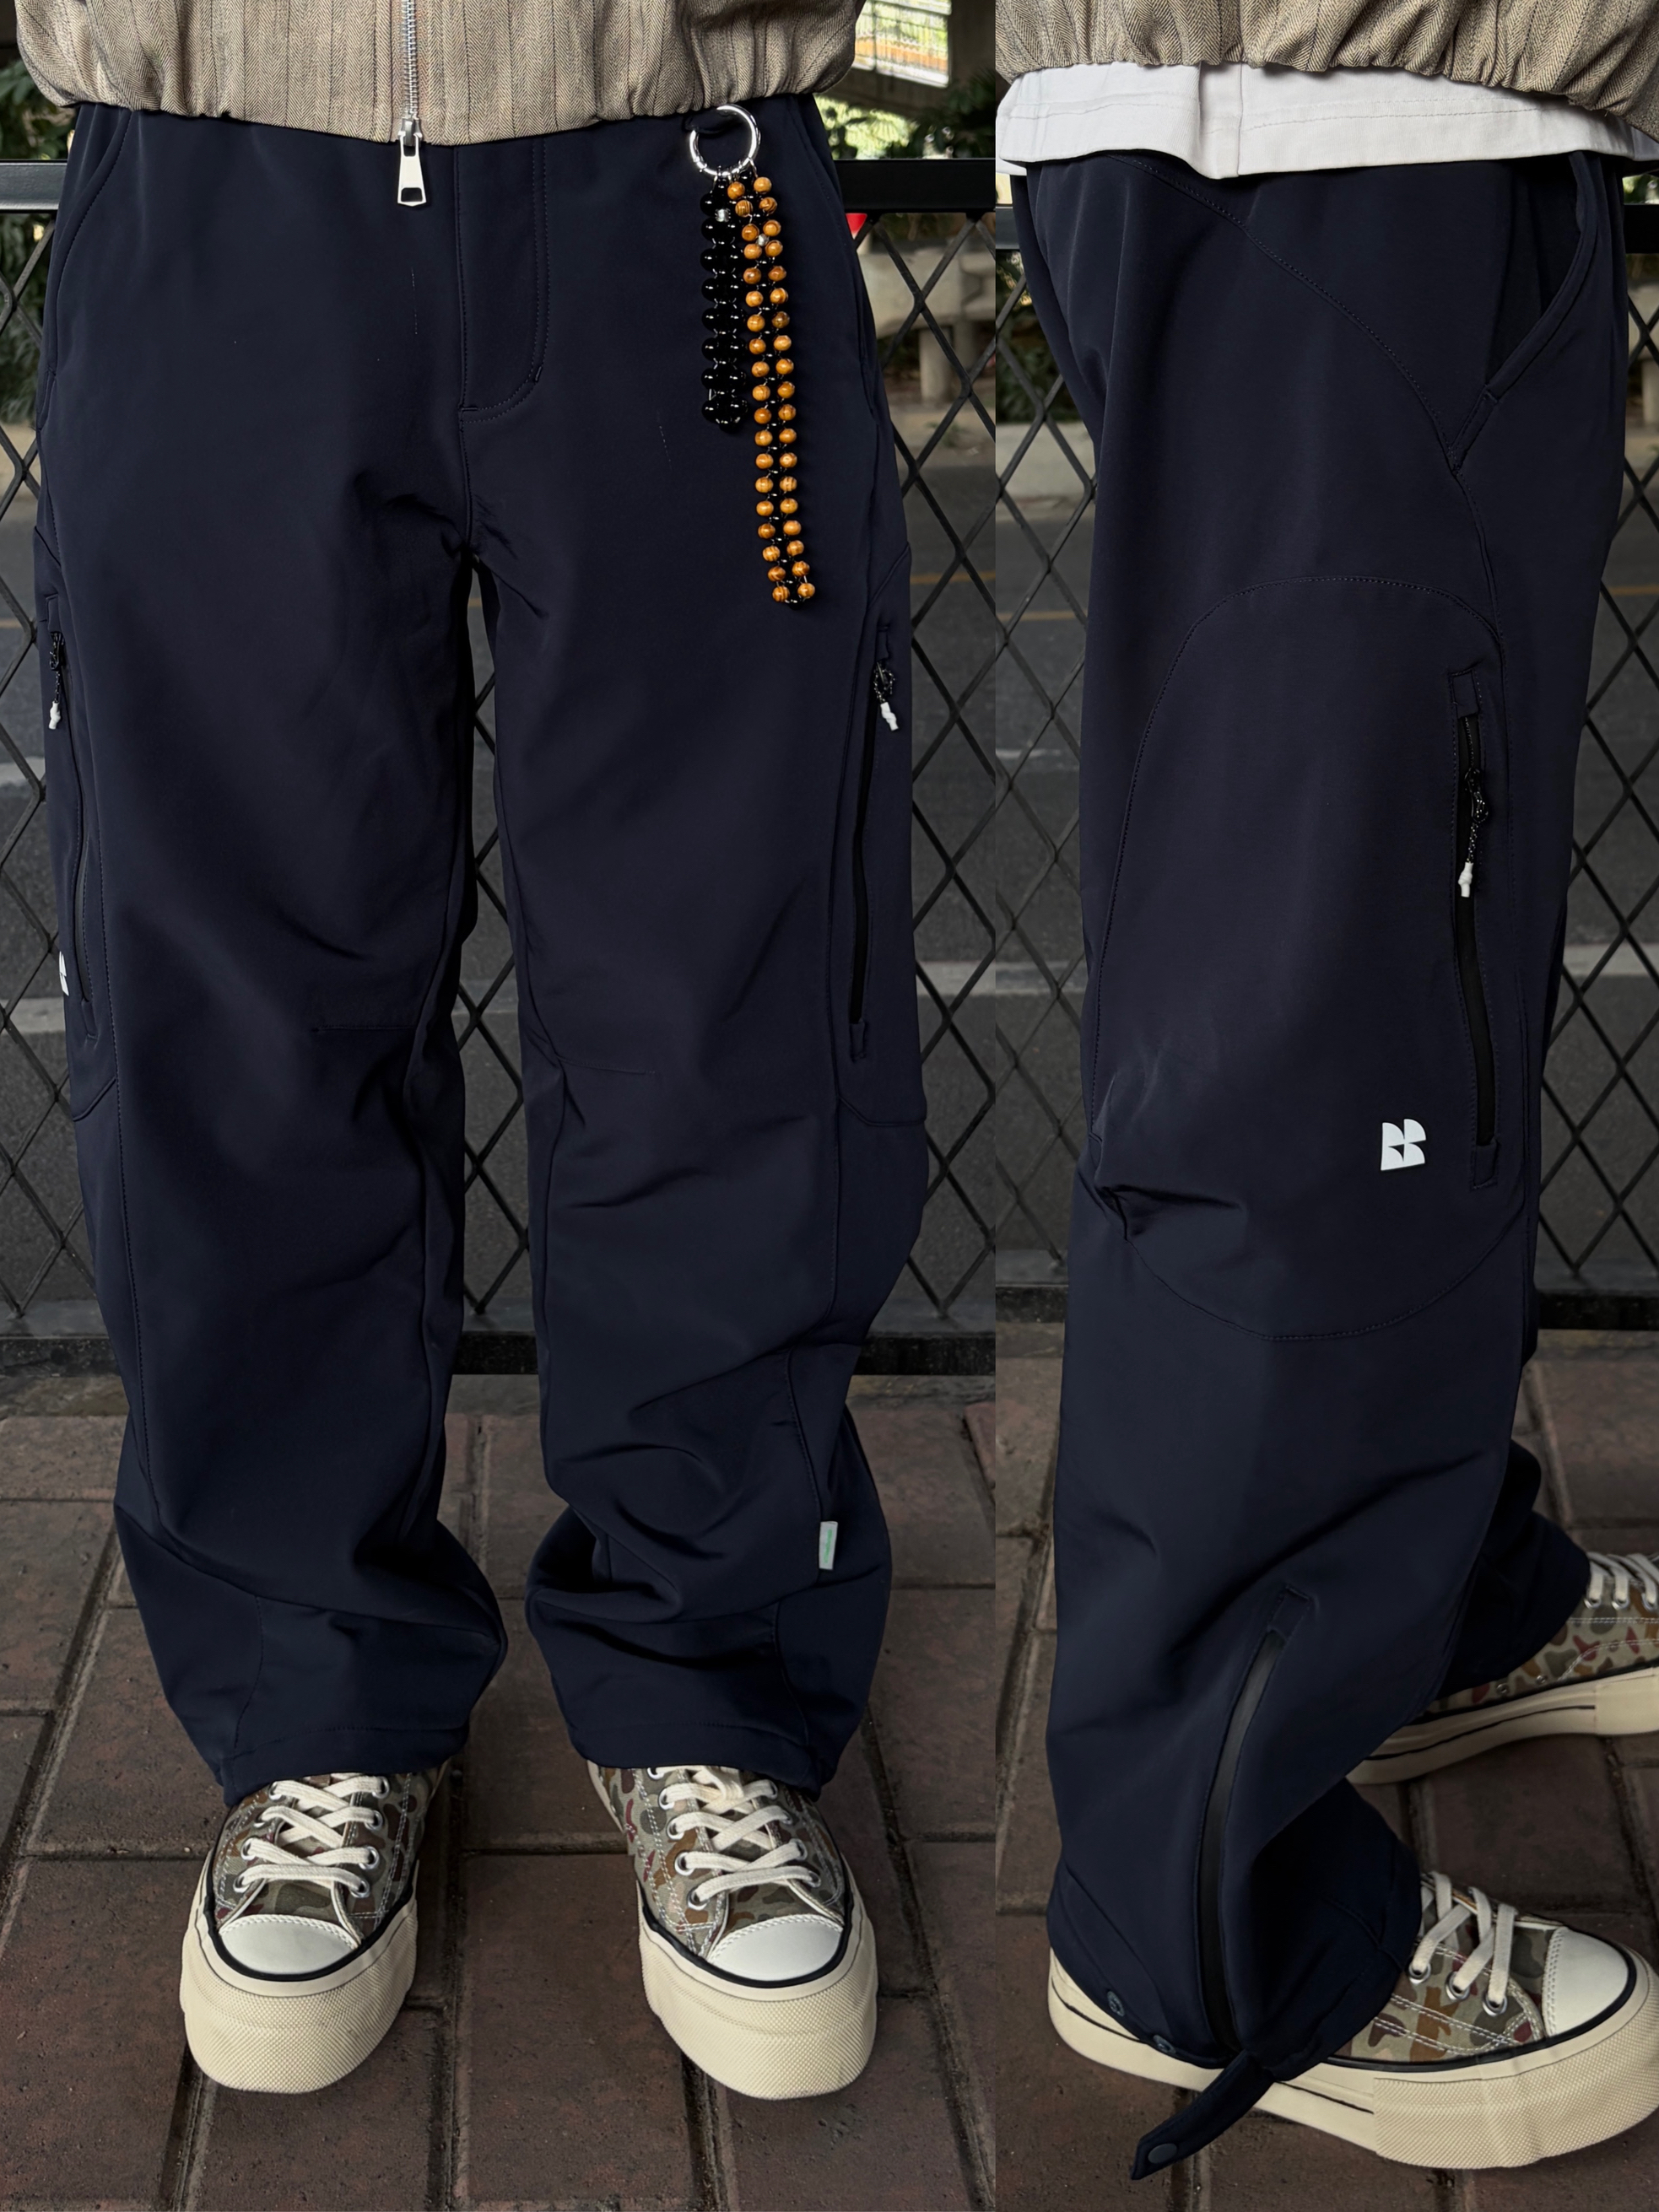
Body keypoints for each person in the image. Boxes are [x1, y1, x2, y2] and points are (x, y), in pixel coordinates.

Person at [19, 0, 924, 2098]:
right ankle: (310, 1699)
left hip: (673, 172)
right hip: (218, 166)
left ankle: (705, 1682)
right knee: (236, 1019)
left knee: (725, 997)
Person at [998, 2, 1659, 2176]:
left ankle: (1438, 1602)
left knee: (1420, 1001)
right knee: (1313, 1042)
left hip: (1416, 115)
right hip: (1310, 121)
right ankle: (1197, 1916)